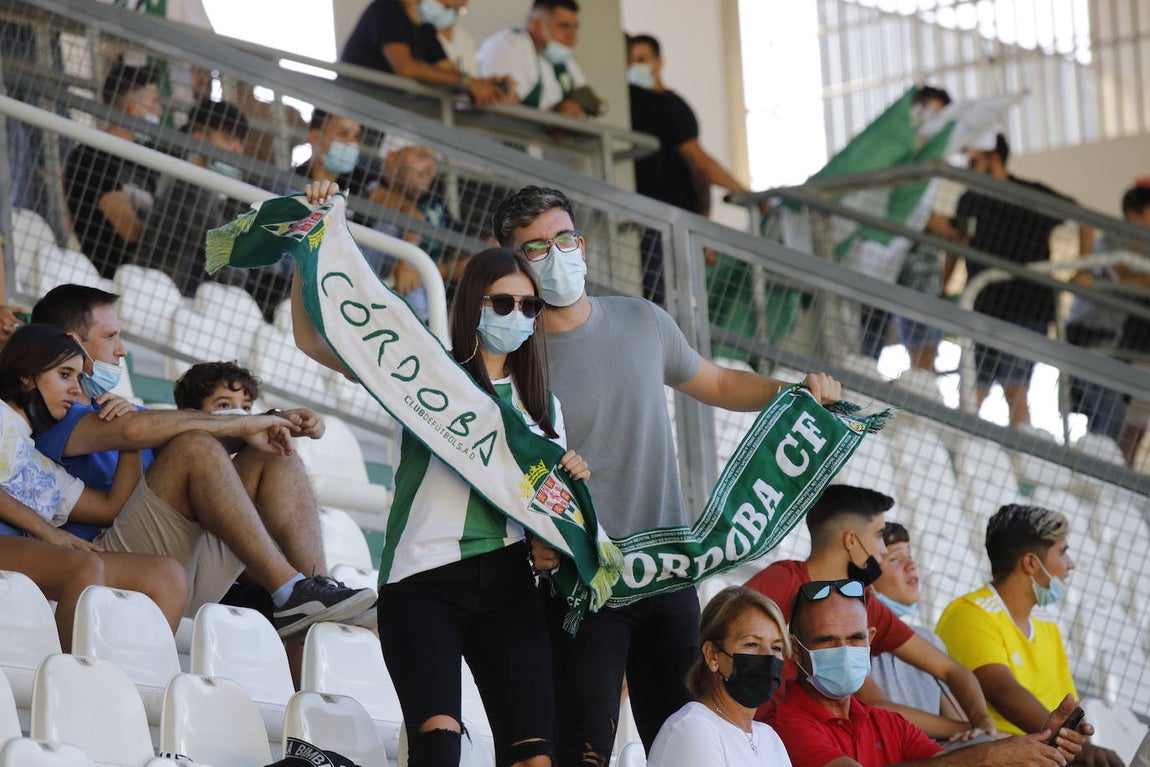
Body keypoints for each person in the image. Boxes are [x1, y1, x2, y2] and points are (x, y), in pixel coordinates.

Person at [490, 185, 842, 765]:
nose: (555, 256)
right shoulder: (513, 355)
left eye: (564, 239)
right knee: (583, 752)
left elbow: (721, 383)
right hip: (585, 584)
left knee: (682, 743)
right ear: (512, 260)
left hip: (668, 579)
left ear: (582, 241)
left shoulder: (641, 320)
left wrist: (796, 390)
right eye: (534, 248)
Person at [290, 201, 586, 767]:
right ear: (473, 305)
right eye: (503, 303)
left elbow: (545, 514)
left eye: (528, 306)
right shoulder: (423, 371)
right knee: (438, 748)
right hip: (422, 581)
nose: (517, 315)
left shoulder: (544, 406)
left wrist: (566, 508)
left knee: (535, 758)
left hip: (509, 586)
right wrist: (308, 250)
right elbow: (315, 343)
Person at [30, 284, 375, 636]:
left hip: (175, 562)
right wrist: (245, 422)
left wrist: (273, 421)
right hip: (104, 565)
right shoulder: (56, 414)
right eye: (111, 336)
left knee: (274, 455)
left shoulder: (125, 410)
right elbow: (136, 433)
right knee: (194, 446)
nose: (122, 349)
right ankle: (289, 588)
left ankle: (315, 594)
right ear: (73, 342)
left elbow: (171, 433)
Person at [743, 485, 995, 739]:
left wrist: (981, 724)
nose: (882, 550)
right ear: (851, 540)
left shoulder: (863, 602)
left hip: (816, 738)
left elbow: (950, 670)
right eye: (878, 536)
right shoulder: (780, 582)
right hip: (753, 736)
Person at [0, 323, 188, 648]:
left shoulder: (38, 461)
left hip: (19, 555)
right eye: (64, 375)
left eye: (77, 377)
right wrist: (51, 533)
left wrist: (129, 435)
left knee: (166, 575)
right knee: (81, 566)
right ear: (26, 377)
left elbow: (110, 508)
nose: (76, 388)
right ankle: (69, 681)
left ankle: (127, 685)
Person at [773, 578, 1090, 767]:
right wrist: (984, 758)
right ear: (795, 650)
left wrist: (1043, 748)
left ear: (870, 638)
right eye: (827, 641)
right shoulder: (782, 725)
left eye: (855, 638)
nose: (844, 649)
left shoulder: (888, 723)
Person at [936, 505, 1124, 767]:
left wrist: (1084, 749)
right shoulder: (969, 613)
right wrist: (1072, 748)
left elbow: (1070, 708)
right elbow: (1002, 690)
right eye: (1063, 552)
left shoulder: (1049, 629)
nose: (1071, 564)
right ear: (1031, 563)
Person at [934, 133, 1088, 426]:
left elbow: (1083, 218)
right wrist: (945, 287)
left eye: (974, 160)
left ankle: (1019, 459)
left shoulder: (1032, 194)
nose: (970, 166)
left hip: (1027, 308)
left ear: (993, 158)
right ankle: (966, 452)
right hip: (983, 307)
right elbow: (956, 243)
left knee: (1016, 389)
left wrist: (1084, 269)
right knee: (973, 388)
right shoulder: (970, 199)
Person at [625, 33, 752, 304]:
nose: (635, 65)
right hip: (648, 220)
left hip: (676, 221)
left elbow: (700, 165)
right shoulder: (628, 101)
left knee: (681, 302)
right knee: (660, 301)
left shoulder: (672, 107)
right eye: (631, 59)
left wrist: (737, 197)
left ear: (659, 63)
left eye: (642, 59)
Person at [647, 586, 793, 767]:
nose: (769, 657)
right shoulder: (694, 726)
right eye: (752, 644)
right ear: (712, 655)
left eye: (777, 647)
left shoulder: (769, 738)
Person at [134, 98, 252, 296]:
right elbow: (230, 266)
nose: (236, 150)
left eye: (240, 142)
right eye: (228, 138)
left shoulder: (204, 190)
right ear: (198, 137)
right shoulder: (190, 189)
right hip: (165, 296)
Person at [1066, 183, 1150, 458]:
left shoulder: (1143, 248)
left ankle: (1089, 469)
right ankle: (1093, 469)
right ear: (1135, 214)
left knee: (1108, 412)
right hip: (1087, 332)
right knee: (1110, 414)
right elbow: (1125, 278)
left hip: (1112, 337)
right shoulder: (1112, 238)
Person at [63, 61, 162, 279]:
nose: (159, 111)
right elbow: (131, 231)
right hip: (110, 278)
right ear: (133, 109)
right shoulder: (92, 156)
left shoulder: (143, 159)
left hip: (146, 277)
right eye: (153, 103)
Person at [870, 522, 968, 726]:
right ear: (866, 579)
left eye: (911, 556)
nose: (911, 566)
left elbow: (959, 721)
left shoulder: (928, 639)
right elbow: (879, 713)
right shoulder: (856, 643)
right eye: (895, 559)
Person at [341, 0, 511, 107]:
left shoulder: (424, 29)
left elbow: (448, 70)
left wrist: (484, 85)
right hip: (353, 111)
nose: (448, 11)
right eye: (446, 6)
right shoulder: (387, 9)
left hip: (380, 121)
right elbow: (406, 68)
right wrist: (467, 82)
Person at [366, 142, 459, 320]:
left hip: (419, 305)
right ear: (393, 159)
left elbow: (463, 259)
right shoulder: (366, 182)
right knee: (388, 229)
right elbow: (389, 202)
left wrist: (423, 270)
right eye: (422, 156)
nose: (431, 169)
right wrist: (410, 252)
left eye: (435, 161)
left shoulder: (436, 207)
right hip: (362, 293)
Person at [476, 0, 591, 116]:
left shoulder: (567, 63)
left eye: (575, 28)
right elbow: (501, 107)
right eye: (564, 26)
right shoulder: (510, 45)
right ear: (536, 25)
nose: (572, 37)